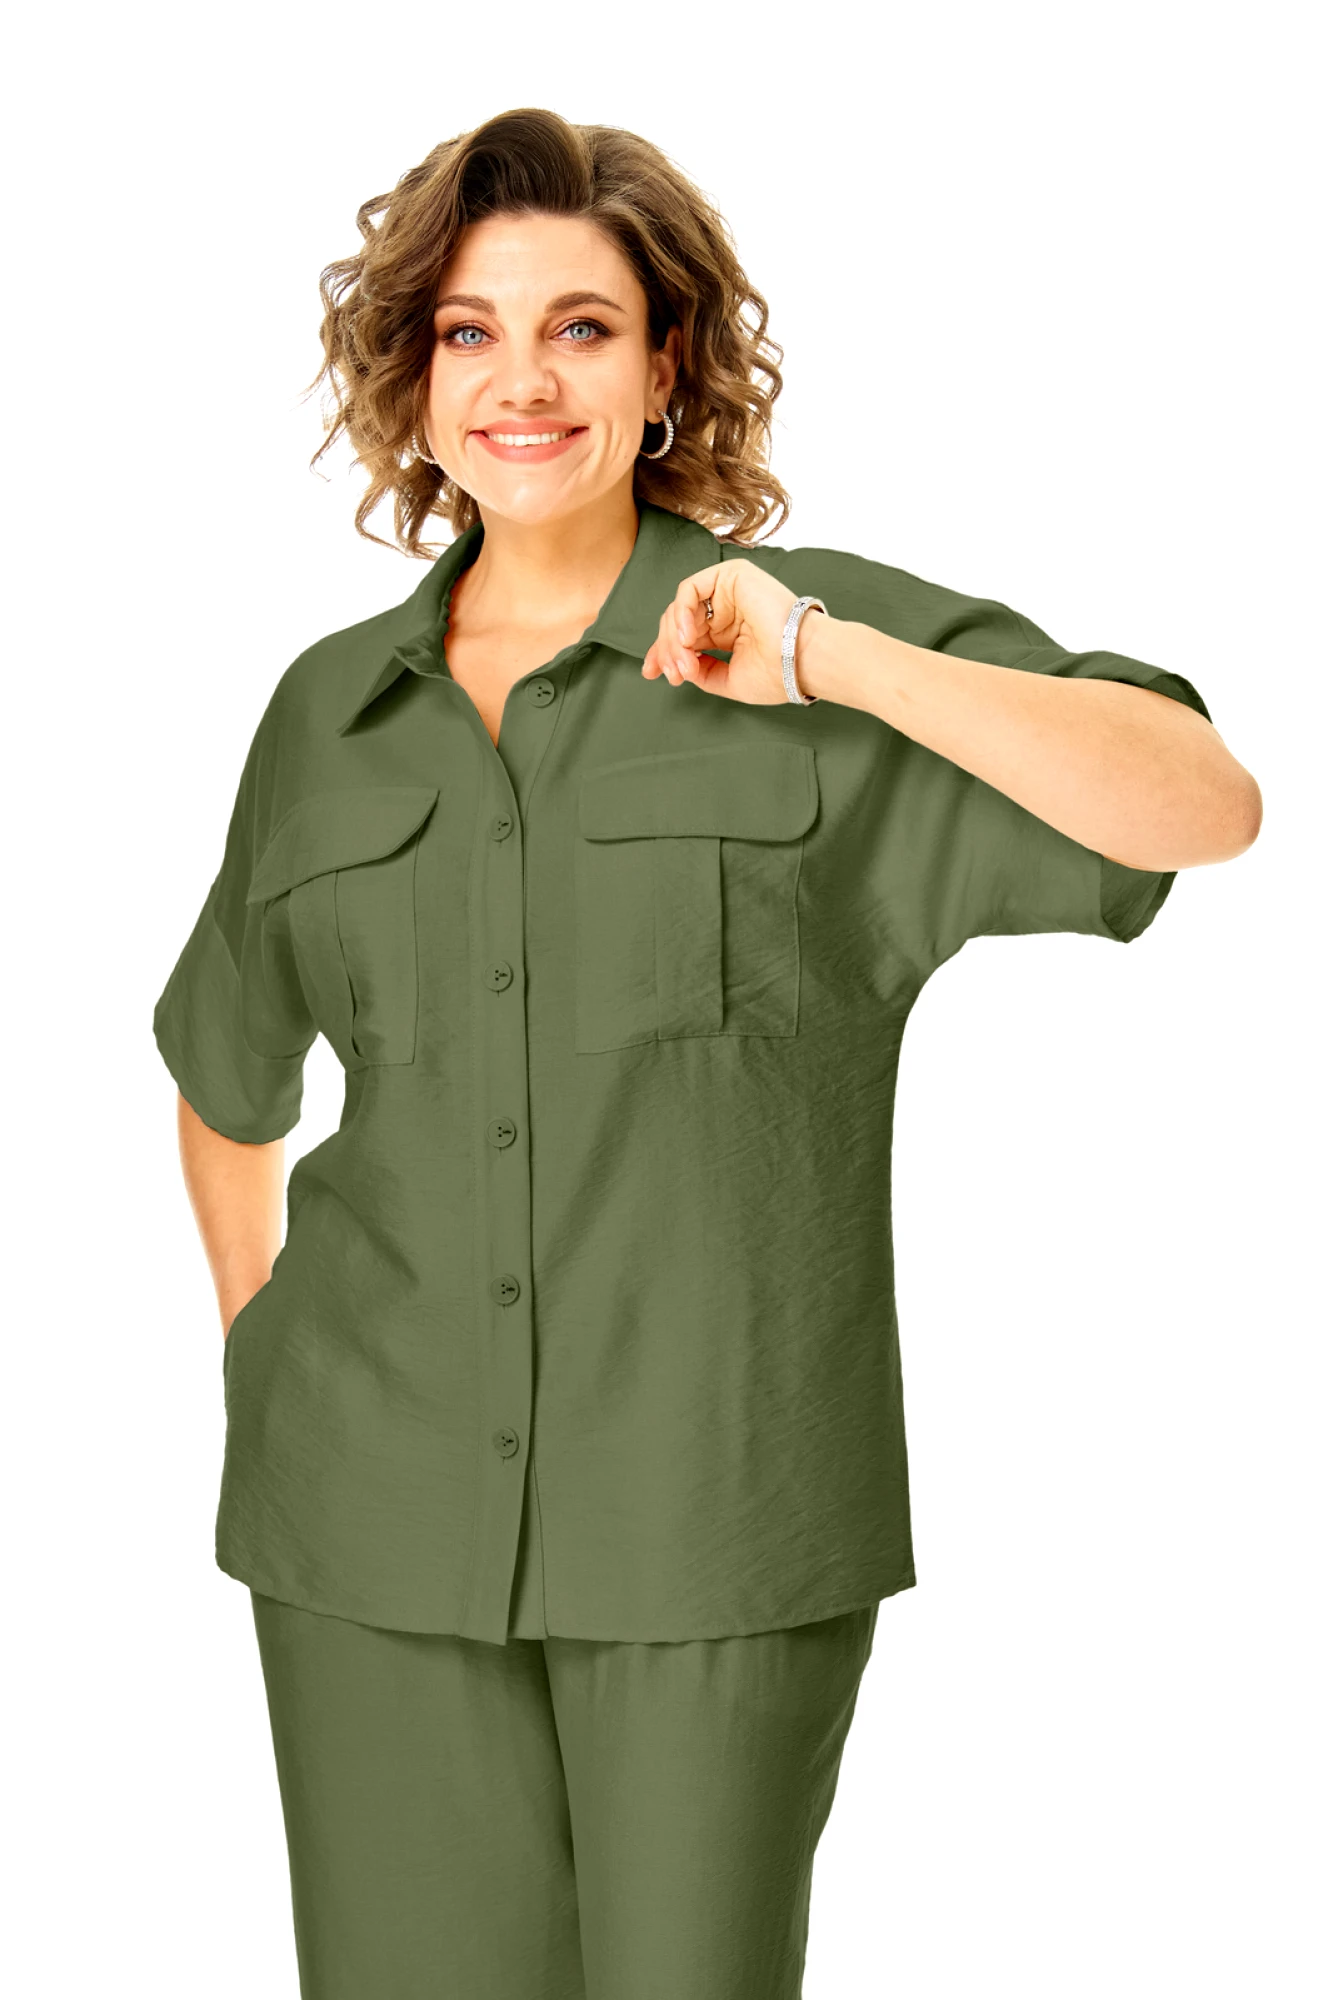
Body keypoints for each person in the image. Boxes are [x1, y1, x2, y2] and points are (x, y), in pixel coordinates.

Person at [151, 107, 1261, 2000]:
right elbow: (226, 1071)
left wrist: (832, 659)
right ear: (416, 380)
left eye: (580, 328)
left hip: (716, 1532)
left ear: (666, 369)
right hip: (361, 1531)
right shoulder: (326, 715)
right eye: (470, 332)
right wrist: (267, 1358)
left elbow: (1201, 807)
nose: (522, 381)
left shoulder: (802, 652)